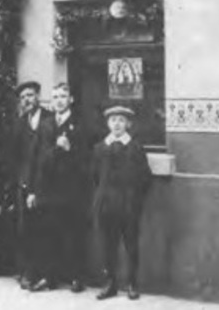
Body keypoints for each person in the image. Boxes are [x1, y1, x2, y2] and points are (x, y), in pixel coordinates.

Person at [92, 105, 152, 301]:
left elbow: (145, 177)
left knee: (131, 245)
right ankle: (110, 283)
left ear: (128, 124)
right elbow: (95, 176)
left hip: (128, 205)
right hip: (107, 205)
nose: (117, 124)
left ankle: (132, 283)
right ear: (107, 124)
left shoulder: (135, 147)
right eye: (113, 120)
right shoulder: (100, 148)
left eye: (121, 120)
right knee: (108, 245)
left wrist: (135, 199)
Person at [37, 83, 90, 292]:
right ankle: (50, 277)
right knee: (50, 233)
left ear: (71, 100)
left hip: (72, 189)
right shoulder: (46, 124)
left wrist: (69, 150)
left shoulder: (80, 124)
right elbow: (40, 159)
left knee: (74, 233)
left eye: (63, 96)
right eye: (55, 96)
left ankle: (77, 277)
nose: (59, 100)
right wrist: (57, 149)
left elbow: (86, 160)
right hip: (50, 189)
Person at [11, 80, 56, 291]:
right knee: (25, 229)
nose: (26, 100)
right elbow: (15, 155)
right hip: (24, 183)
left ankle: (46, 274)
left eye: (30, 95)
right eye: (22, 97)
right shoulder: (20, 122)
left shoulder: (50, 119)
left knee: (44, 229)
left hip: (47, 183)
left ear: (38, 96)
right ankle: (28, 272)